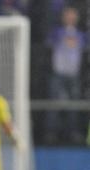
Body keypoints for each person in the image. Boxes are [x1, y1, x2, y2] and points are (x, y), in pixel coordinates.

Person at [45, 6, 87, 144]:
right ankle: (51, 133)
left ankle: (73, 133)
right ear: (63, 17)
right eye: (68, 15)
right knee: (55, 104)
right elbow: (49, 43)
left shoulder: (81, 35)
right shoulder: (57, 32)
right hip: (58, 73)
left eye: (72, 15)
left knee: (73, 105)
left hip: (73, 74)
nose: (70, 18)